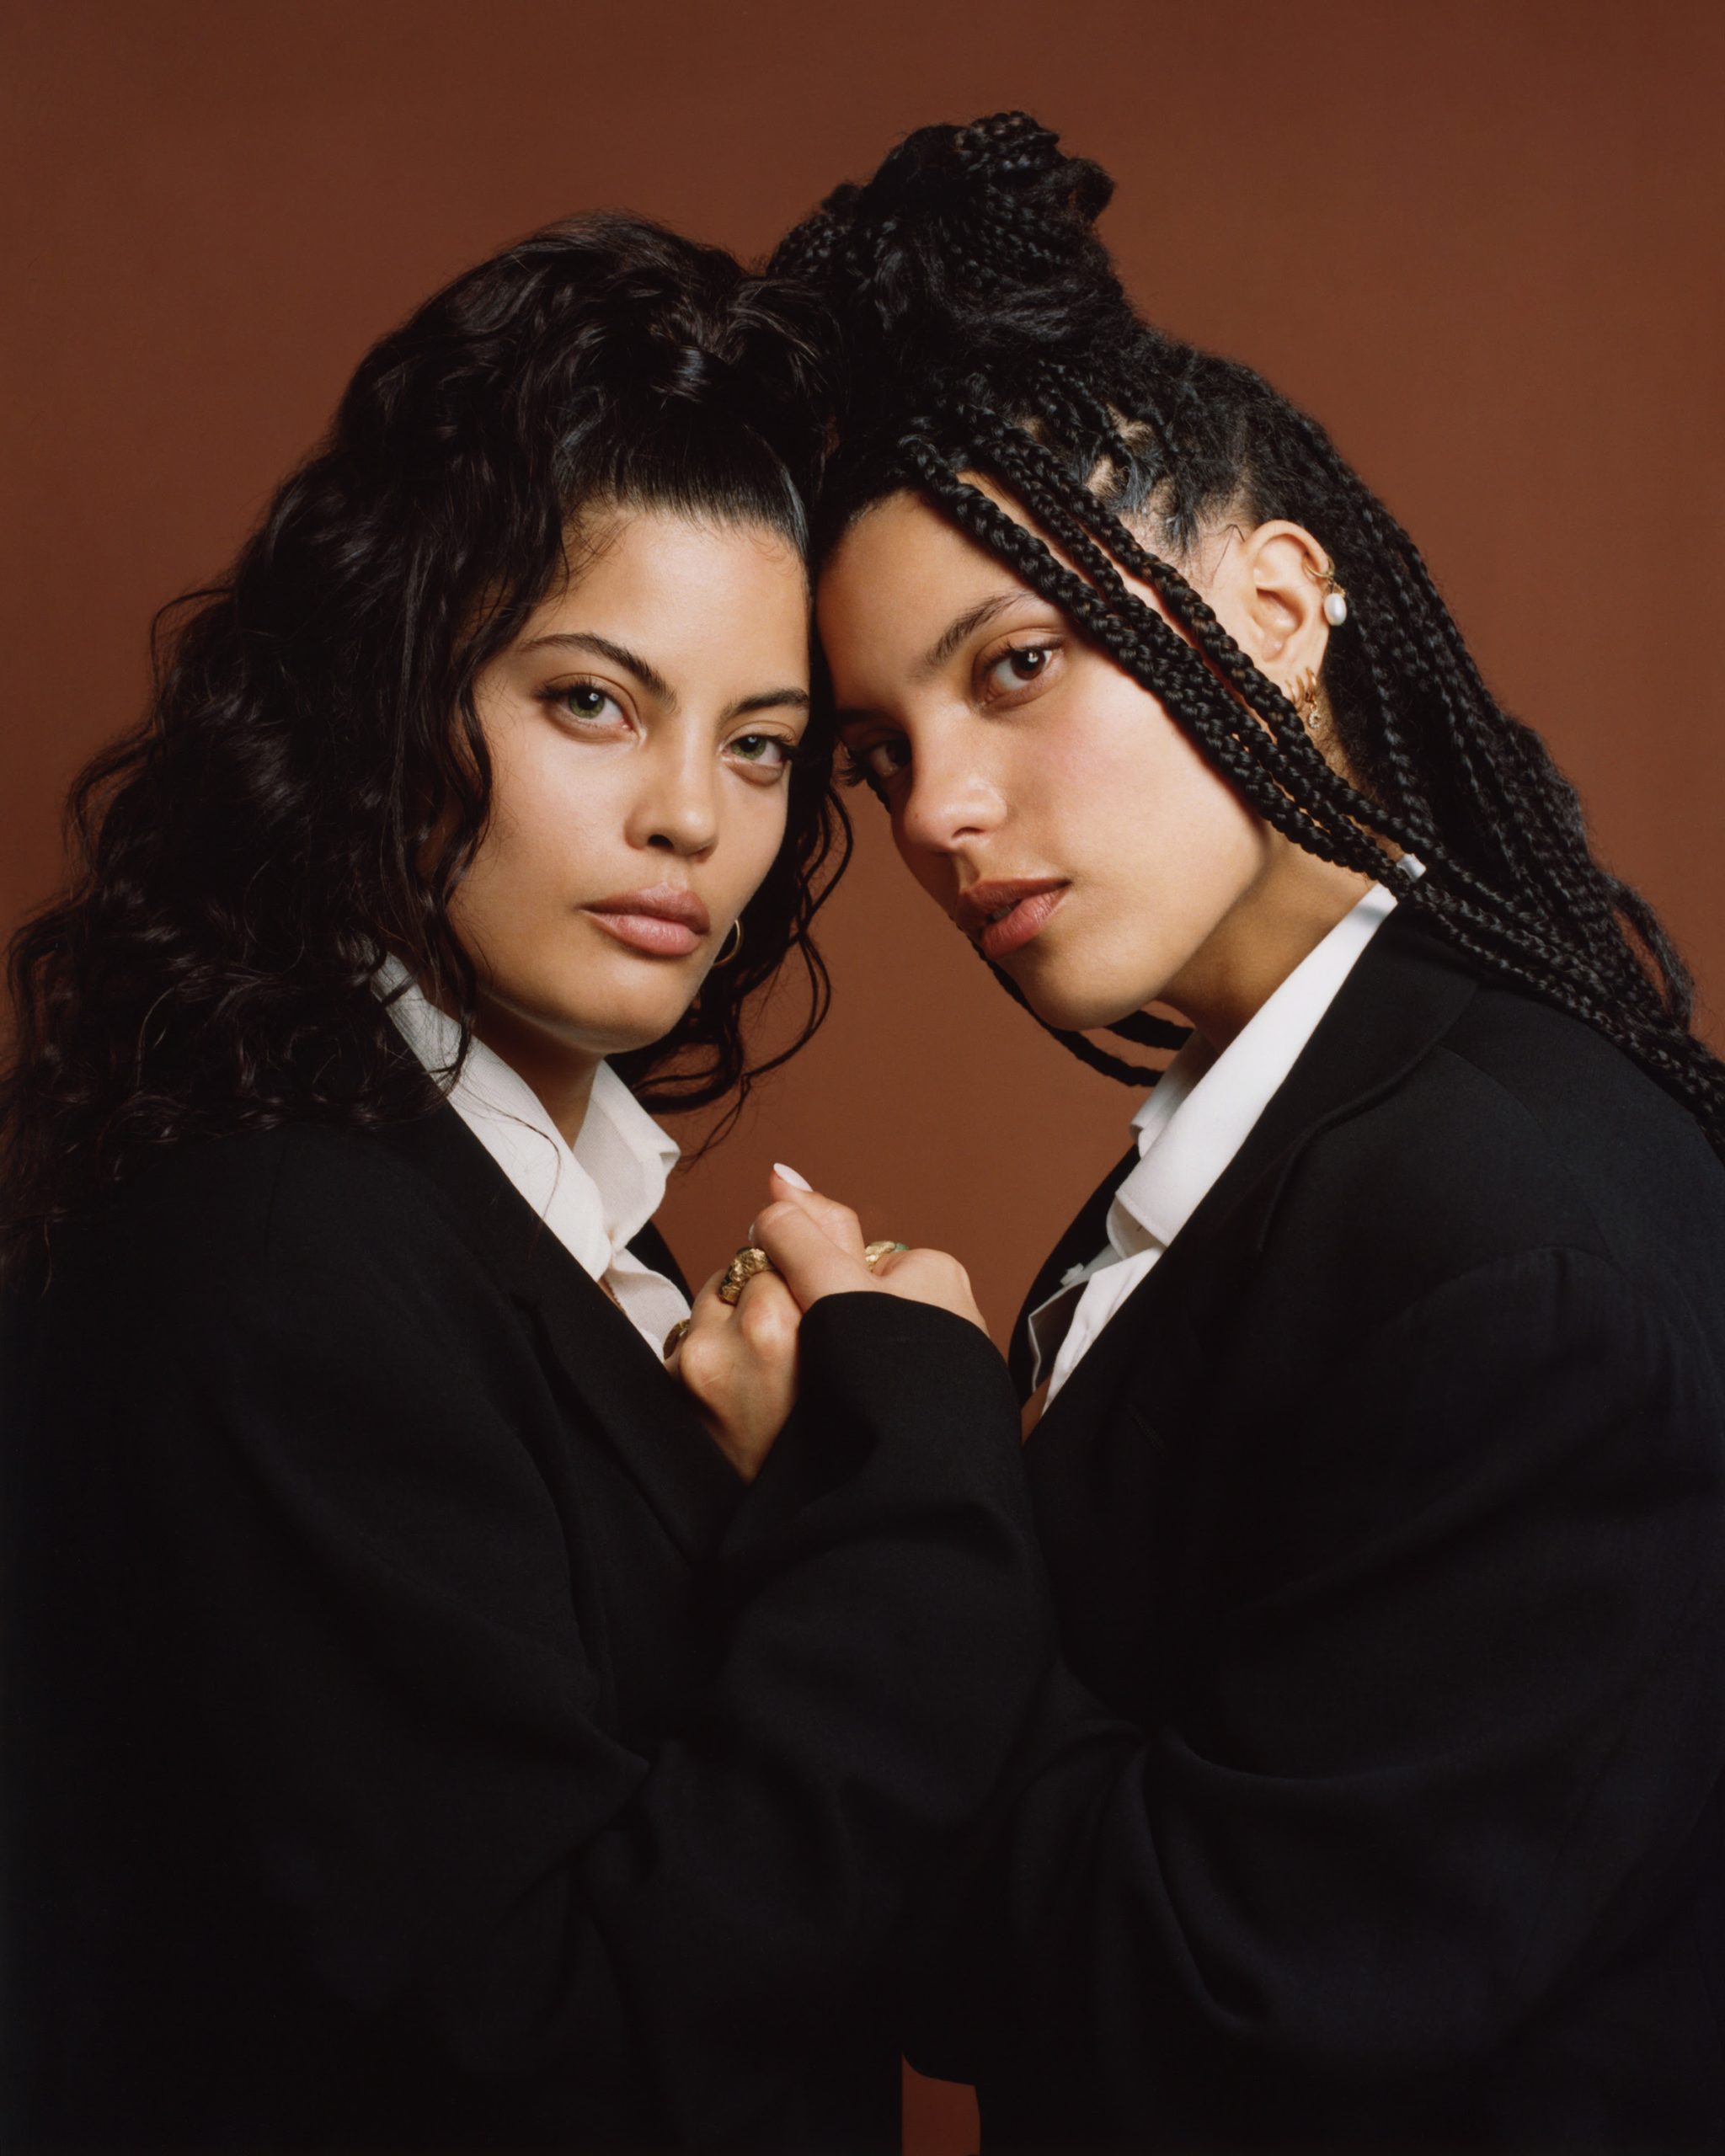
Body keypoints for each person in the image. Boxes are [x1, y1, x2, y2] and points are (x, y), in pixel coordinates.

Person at [0, 212, 1051, 2153]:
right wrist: (914, 1451)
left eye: (761, 745)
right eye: (592, 700)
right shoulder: (274, 1243)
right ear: (393, 694)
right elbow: (566, 2033)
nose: (690, 816)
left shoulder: (522, 1209)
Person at [740, 113, 1725, 2148]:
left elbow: (1230, 1996)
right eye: (879, 752)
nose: (938, 813)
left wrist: (868, 1484)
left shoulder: (1499, 1238)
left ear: (1275, 602)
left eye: (1017, 666)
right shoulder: (1302, 1141)